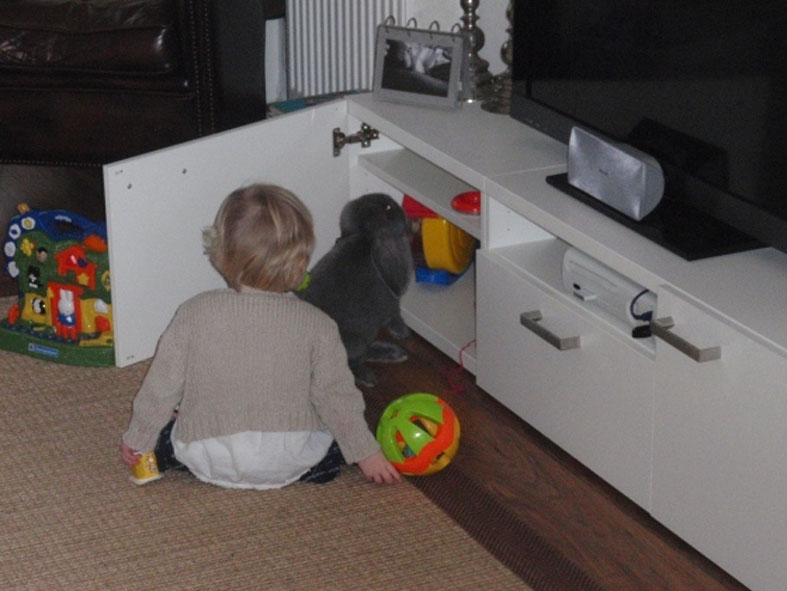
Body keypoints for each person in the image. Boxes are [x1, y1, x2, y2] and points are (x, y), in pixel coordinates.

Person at [120, 184, 401, 488]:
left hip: (208, 456)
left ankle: (172, 454)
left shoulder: (193, 312)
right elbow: (336, 396)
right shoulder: (318, 324)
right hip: (292, 457)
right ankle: (317, 466)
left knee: (169, 432)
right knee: (332, 439)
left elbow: (161, 386)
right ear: (301, 264)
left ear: (220, 254)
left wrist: (139, 438)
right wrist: (365, 452)